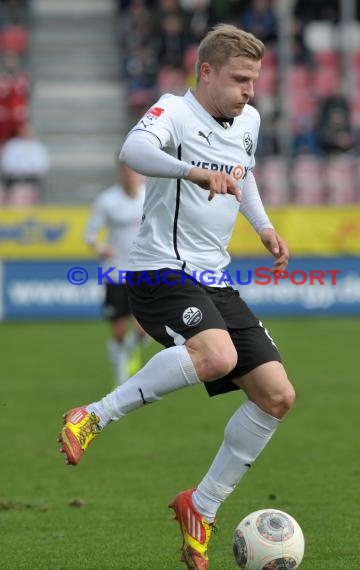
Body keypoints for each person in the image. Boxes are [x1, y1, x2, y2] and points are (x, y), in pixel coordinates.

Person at [58, 24, 294, 570]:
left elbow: (245, 173)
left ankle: (202, 507)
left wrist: (262, 227)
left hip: (214, 276)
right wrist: (193, 170)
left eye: (254, 81)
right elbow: (133, 148)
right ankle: (92, 415)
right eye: (239, 79)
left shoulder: (248, 119)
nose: (249, 91)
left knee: (277, 396)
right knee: (218, 356)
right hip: (157, 271)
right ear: (205, 72)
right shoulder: (174, 112)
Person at [84, 161, 149, 385]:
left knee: (144, 331)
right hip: (115, 272)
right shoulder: (107, 200)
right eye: (127, 170)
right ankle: (121, 377)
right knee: (119, 331)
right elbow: (90, 235)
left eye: (135, 170)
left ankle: (128, 353)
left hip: (144, 271)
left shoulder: (150, 196)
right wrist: (102, 248)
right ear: (120, 172)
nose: (131, 175)